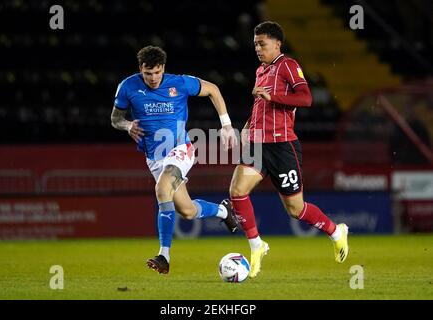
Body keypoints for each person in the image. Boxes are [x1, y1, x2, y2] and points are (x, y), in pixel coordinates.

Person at [229, 21, 349, 278]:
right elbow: (260, 104)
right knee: (237, 191)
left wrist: (274, 98)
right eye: (255, 44)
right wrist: (248, 125)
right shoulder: (261, 70)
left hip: (283, 147)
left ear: (277, 43)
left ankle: (336, 231)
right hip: (259, 144)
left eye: (262, 44)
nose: (258, 49)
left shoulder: (289, 65)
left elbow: (306, 98)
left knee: (295, 209)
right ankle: (256, 245)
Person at [111, 45, 239, 274]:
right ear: (141, 69)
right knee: (187, 211)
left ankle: (164, 256)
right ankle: (223, 211)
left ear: (163, 68)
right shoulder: (128, 86)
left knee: (162, 189)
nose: (153, 78)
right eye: (148, 73)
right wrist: (128, 125)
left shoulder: (179, 83)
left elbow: (213, 90)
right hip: (154, 157)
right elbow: (115, 119)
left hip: (181, 148)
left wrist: (227, 125)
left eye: (157, 72)